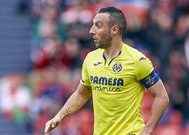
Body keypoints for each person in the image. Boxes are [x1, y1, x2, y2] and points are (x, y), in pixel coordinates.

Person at [44, 7, 169, 135]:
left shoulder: (137, 61)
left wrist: (147, 130)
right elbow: (82, 93)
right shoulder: (90, 58)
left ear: (114, 30)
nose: (91, 31)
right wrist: (59, 116)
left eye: (98, 25)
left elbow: (162, 96)